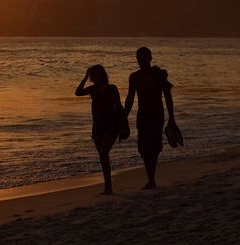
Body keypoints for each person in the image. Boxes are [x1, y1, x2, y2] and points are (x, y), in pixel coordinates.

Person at [124, 46, 175, 189]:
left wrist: (172, 117)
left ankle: (151, 178)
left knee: (155, 147)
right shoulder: (134, 77)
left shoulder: (158, 74)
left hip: (157, 114)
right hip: (142, 115)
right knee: (144, 148)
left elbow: (168, 96)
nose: (141, 60)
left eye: (144, 58)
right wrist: (124, 117)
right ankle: (150, 179)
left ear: (150, 58)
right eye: (139, 58)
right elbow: (130, 98)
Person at [75, 64, 123, 195]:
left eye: (96, 74)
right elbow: (78, 92)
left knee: (103, 152)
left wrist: (121, 125)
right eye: (92, 75)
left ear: (102, 74)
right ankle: (108, 187)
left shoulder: (111, 88)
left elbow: (119, 106)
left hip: (111, 125)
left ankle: (108, 187)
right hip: (97, 126)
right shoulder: (93, 89)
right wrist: (85, 77)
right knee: (103, 157)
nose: (94, 77)